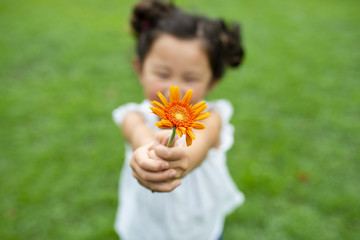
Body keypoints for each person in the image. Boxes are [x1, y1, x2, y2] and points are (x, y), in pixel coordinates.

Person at [112, 0, 245, 239]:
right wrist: (146, 154)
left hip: (200, 225)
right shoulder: (134, 116)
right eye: (163, 74)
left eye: (191, 78)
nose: (175, 88)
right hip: (148, 226)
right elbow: (140, 136)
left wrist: (182, 159)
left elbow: (199, 145)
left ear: (212, 82)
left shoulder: (212, 117)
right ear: (139, 69)